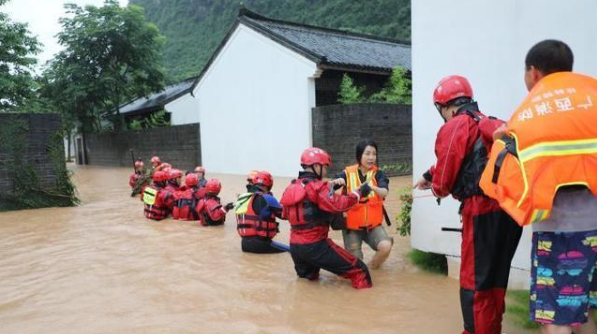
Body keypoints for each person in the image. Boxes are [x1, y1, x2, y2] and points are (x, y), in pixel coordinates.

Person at [480, 40, 597, 334]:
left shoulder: (531, 113)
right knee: (582, 310)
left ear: (533, 72)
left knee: (556, 318)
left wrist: (500, 141)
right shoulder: (593, 96)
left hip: (560, 231)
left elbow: (507, 179)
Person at [414, 75, 522, 334]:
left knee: (475, 283)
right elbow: (474, 156)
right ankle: (493, 328)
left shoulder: (454, 125)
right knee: (496, 278)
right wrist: (429, 175)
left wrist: (436, 185)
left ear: (445, 106)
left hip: (481, 211)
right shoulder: (487, 122)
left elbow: (446, 175)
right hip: (509, 209)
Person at [279, 147, 373, 289]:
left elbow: (285, 214)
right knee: (360, 271)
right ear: (316, 166)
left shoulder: (292, 187)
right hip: (316, 246)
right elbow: (339, 205)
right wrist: (359, 193)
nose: (325, 171)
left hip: (296, 248)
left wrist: (329, 188)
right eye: (324, 167)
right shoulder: (318, 187)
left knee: (308, 283)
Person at [332, 139, 392, 269]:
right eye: (367, 153)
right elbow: (330, 190)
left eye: (374, 154)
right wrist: (338, 182)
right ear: (359, 155)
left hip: (372, 226)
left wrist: (373, 188)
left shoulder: (379, 174)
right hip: (351, 227)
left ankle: (372, 268)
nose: (371, 157)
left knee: (386, 246)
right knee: (356, 266)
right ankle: (362, 270)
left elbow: (384, 192)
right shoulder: (346, 174)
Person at [235, 170, 289, 253]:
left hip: (244, 245)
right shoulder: (268, 198)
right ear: (269, 185)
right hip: (262, 244)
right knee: (292, 251)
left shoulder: (243, 198)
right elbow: (285, 215)